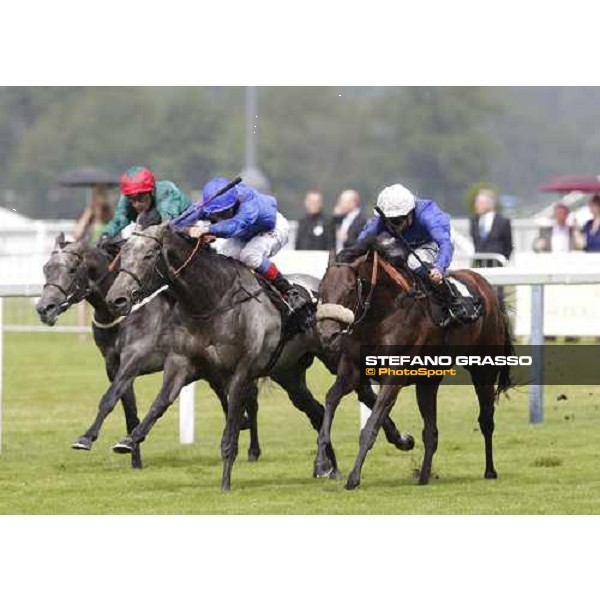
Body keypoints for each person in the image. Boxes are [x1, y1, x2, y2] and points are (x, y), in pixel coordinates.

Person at [171, 177, 308, 314]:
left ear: (234, 203)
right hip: (245, 234)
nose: (218, 217)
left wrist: (207, 229)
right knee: (222, 259)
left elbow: (234, 226)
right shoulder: (211, 203)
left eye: (223, 213)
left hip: (272, 229)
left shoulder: (249, 203)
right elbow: (179, 222)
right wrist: (173, 228)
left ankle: (289, 292)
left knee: (250, 256)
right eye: (215, 214)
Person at [356, 183, 472, 326]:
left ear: (410, 213)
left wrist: (439, 269)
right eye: (388, 221)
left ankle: (452, 299)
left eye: (397, 220)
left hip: (429, 243)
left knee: (414, 261)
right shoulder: (383, 219)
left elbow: (445, 243)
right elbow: (361, 242)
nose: (392, 226)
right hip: (403, 244)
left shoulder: (428, 215)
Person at [98, 166, 191, 243]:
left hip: (188, 223)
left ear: (152, 191)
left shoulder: (165, 193)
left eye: (141, 198)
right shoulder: (127, 196)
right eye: (132, 199)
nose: (136, 205)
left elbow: (167, 223)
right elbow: (119, 220)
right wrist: (106, 235)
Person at [469, 188, 513, 265]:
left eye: (480, 202)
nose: (476, 205)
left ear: (490, 204)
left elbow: (508, 245)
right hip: (479, 263)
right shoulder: (474, 220)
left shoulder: (503, 221)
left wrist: (504, 260)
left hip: (497, 263)